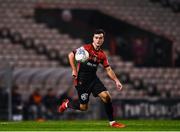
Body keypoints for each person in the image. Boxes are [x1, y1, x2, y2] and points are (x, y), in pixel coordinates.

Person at [58, 29, 126, 128]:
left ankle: (112, 122)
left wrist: (116, 81)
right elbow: (71, 55)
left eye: (100, 38)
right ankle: (66, 104)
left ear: (103, 39)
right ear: (93, 38)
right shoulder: (85, 48)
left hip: (93, 79)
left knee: (107, 97)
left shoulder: (102, 54)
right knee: (83, 107)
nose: (98, 40)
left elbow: (108, 69)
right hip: (82, 81)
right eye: (96, 38)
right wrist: (74, 70)